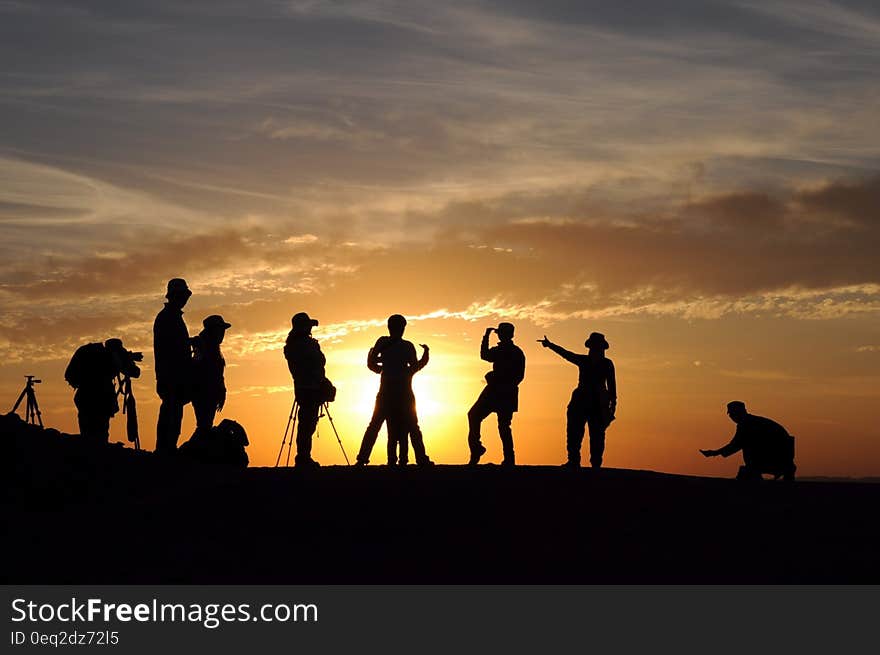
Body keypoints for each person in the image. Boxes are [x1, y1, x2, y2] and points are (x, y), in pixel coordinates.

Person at [355, 314, 431, 467]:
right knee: (411, 427)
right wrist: (425, 356)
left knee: (376, 426)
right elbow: (414, 367)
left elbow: (371, 362)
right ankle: (421, 459)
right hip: (401, 393)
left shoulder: (384, 342)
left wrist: (383, 368)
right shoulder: (404, 345)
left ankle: (362, 459)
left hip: (390, 392)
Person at [539, 331, 616, 468]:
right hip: (582, 400)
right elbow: (566, 354)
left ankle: (594, 463)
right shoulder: (589, 361)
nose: (595, 349)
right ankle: (575, 460)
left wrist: (612, 405)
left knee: (596, 435)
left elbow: (612, 386)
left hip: (596, 402)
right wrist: (550, 345)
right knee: (575, 432)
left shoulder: (606, 364)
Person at [467, 323, 526, 466]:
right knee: (495, 423)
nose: (500, 335)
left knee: (500, 425)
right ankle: (481, 451)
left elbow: (485, 355)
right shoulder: (514, 352)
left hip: (499, 391)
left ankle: (502, 457)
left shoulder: (512, 352)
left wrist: (499, 380)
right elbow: (485, 355)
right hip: (499, 391)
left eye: (501, 333)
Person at [64, 339, 142, 444]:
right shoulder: (113, 357)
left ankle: (88, 455)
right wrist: (126, 358)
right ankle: (98, 455)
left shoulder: (90, 353)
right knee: (101, 433)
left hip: (84, 397)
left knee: (87, 432)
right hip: (103, 399)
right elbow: (135, 372)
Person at [700, 401, 796, 480]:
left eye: (734, 414)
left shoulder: (747, 424)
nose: (732, 417)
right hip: (783, 458)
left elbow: (736, 444)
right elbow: (737, 443)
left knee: (748, 453)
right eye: (731, 414)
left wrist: (714, 453)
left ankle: (754, 473)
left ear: (741, 412)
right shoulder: (753, 421)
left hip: (777, 457)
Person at [153, 278, 194, 454]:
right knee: (171, 413)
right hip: (171, 376)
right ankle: (165, 450)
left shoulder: (171, 317)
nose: (185, 299)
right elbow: (171, 349)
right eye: (182, 295)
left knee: (173, 413)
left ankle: (167, 449)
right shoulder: (168, 318)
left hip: (172, 375)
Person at [283, 312, 328, 468]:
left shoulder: (291, 345)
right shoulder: (304, 345)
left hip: (304, 388)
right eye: (308, 325)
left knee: (307, 423)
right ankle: (303, 457)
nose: (310, 328)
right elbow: (315, 363)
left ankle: (303, 456)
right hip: (310, 388)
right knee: (307, 424)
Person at [191, 314, 231, 436]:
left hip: (210, 393)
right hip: (204, 393)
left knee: (205, 426)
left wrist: (221, 390)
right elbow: (206, 372)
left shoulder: (212, 347)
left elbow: (218, 374)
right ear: (213, 331)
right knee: (204, 426)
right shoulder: (204, 348)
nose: (223, 333)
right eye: (220, 330)